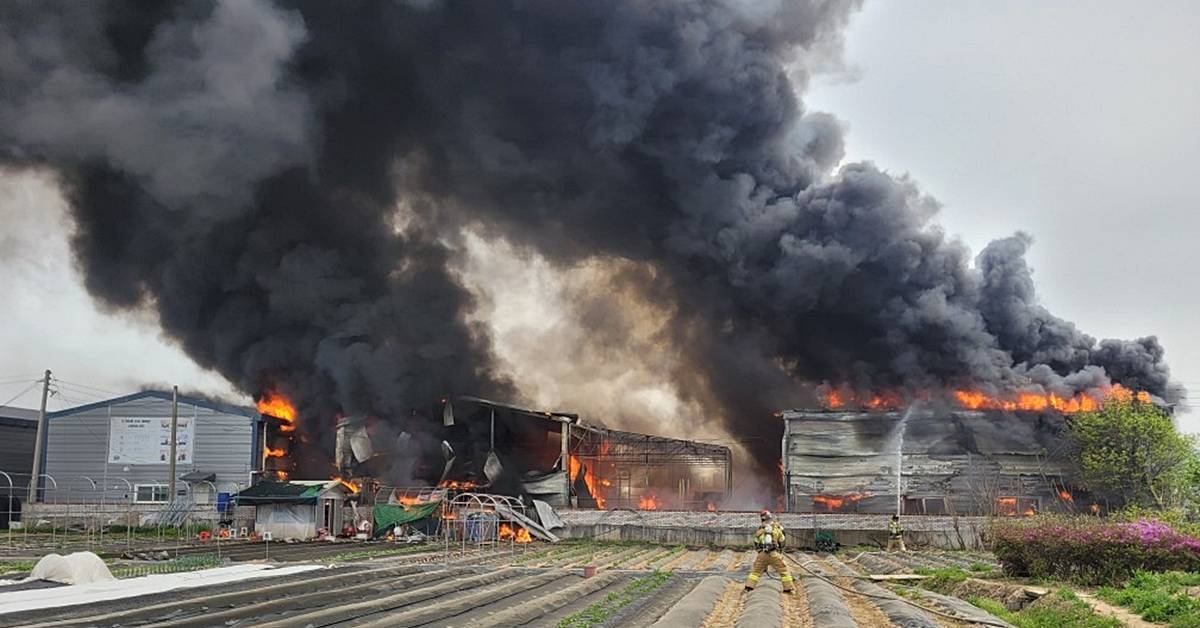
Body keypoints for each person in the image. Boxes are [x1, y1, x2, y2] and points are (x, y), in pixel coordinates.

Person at [745, 510, 794, 593]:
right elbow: (782, 540)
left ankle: (749, 587)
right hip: (774, 554)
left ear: (762, 519)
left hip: (762, 555)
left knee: (755, 572)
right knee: (784, 571)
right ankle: (788, 588)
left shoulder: (760, 531)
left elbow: (756, 542)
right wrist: (780, 550)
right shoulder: (777, 529)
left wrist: (760, 552)